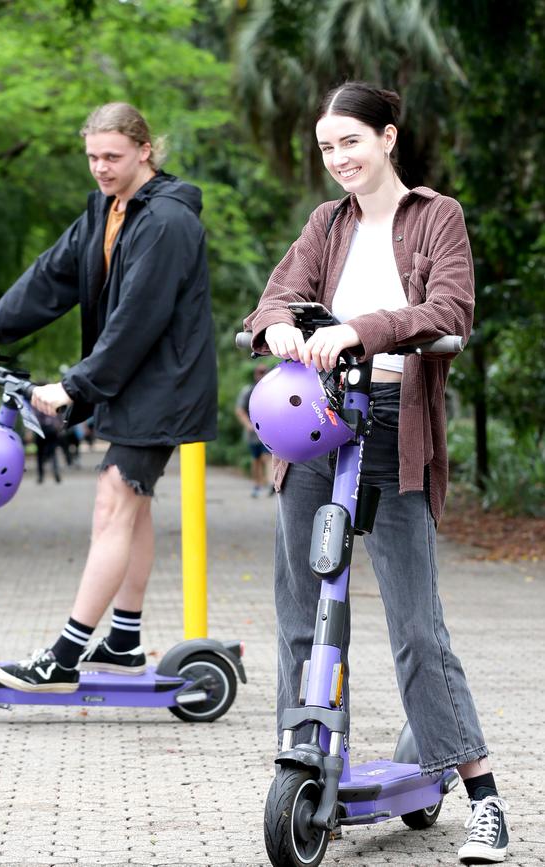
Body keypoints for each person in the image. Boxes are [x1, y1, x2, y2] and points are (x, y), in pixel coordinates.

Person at [243, 82, 508, 865]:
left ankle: (485, 799)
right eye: (327, 148)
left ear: (388, 137)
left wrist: (362, 329)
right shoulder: (325, 224)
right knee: (302, 605)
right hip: (318, 424)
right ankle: (312, 759)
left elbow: (450, 312)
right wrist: (285, 326)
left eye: (350, 141)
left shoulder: (437, 216)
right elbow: (271, 304)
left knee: (415, 624)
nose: (339, 159)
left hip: (396, 425)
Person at [0, 101, 217, 691]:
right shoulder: (105, 210)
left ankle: (64, 657)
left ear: (145, 149)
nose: (100, 167)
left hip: (160, 384)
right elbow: (51, 278)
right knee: (130, 506)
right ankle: (121, 640)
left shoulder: (167, 221)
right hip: (134, 382)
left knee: (113, 505)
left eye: (112, 156)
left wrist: (74, 386)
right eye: (92, 156)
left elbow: (139, 318)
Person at [235, 364, 273, 497]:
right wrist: (248, 425)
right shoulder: (248, 391)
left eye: (264, 372)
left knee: (267, 457)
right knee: (256, 459)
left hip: (268, 431)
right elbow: (240, 410)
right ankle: (257, 484)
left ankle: (270, 484)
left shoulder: (272, 390)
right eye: (260, 372)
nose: (262, 375)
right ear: (255, 374)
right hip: (253, 433)